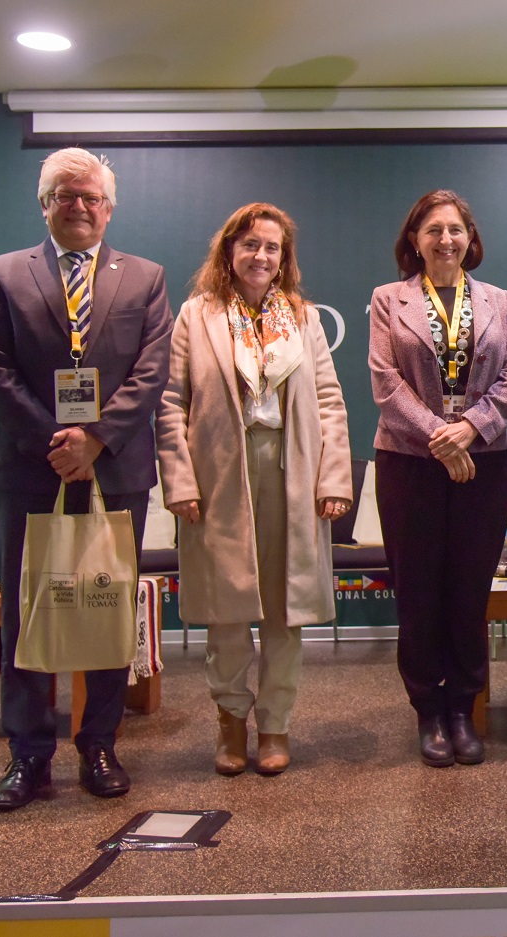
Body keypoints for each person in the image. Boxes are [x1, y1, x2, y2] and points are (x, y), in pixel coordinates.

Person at [0, 147, 173, 811]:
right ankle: (28, 757)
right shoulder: (1, 276)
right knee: (27, 611)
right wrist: (55, 441)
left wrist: (95, 439)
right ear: (44, 203)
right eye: (66, 194)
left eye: (91, 197)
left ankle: (100, 744)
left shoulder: (144, 278)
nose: (79, 206)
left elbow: (150, 372)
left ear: (109, 208)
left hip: (115, 469)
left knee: (107, 607)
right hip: (32, 469)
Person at [156, 202, 352, 777]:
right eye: (250, 245)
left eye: (272, 247)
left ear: (283, 258)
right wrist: (179, 480)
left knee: (285, 612)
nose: (260, 255)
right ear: (229, 251)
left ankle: (275, 726)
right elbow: (172, 405)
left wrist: (333, 477)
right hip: (219, 478)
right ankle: (230, 722)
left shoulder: (305, 318)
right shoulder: (197, 314)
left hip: (291, 473)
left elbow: (330, 403)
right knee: (227, 608)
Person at [368, 189, 507, 767]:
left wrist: (470, 430)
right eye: (433, 229)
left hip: (482, 463)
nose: (445, 239)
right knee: (418, 592)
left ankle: (463, 707)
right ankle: (428, 713)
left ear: (470, 237)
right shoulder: (390, 299)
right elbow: (386, 384)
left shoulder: (498, 301)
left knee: (468, 591)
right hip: (409, 463)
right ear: (415, 240)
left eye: (455, 229)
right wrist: (442, 435)